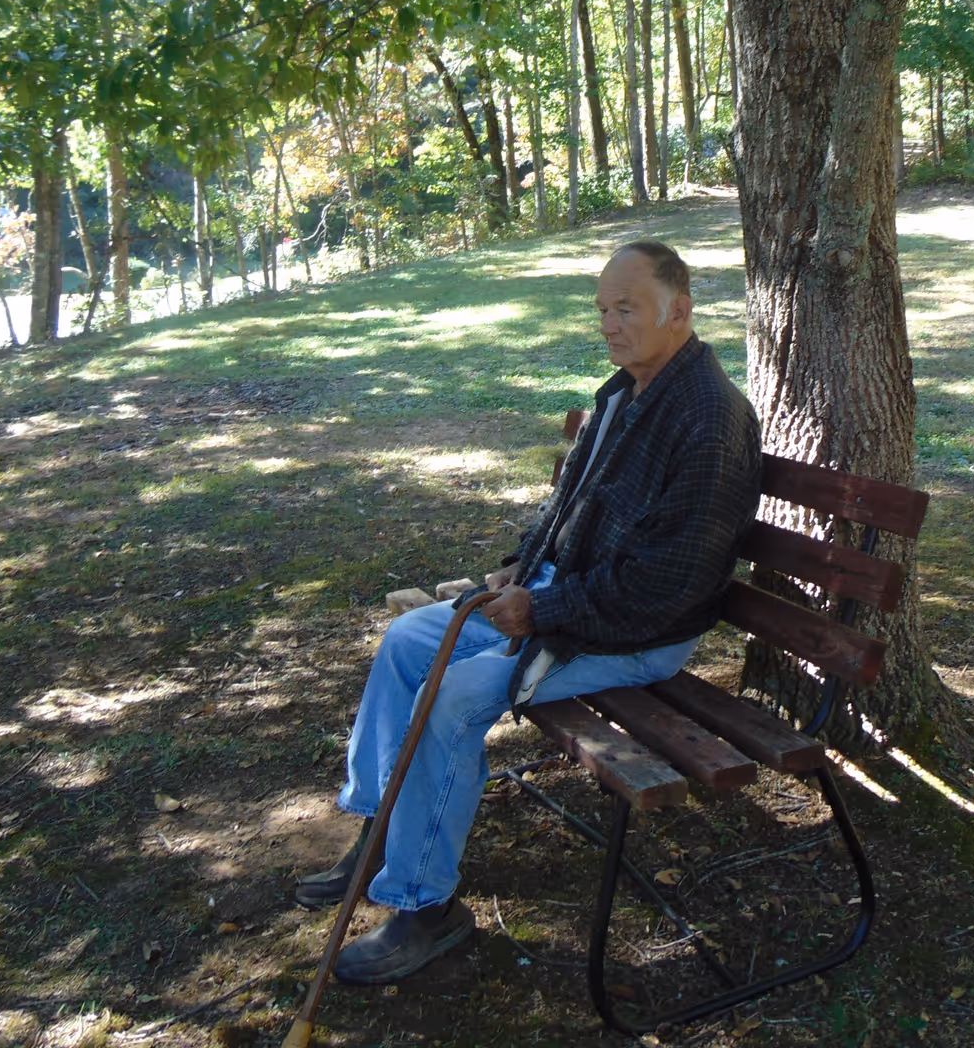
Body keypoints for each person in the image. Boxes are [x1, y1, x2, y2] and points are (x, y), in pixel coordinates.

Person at [294, 240, 762, 984]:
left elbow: (664, 586)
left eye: (627, 308)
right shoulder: (624, 393)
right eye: (603, 309)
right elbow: (567, 507)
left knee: (450, 697)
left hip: (635, 633)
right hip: (565, 594)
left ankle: (425, 906)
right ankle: (383, 831)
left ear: (680, 310)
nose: (610, 324)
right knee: (409, 640)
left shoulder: (709, 420)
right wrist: (522, 565)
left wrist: (542, 607)